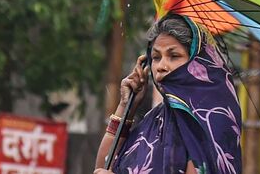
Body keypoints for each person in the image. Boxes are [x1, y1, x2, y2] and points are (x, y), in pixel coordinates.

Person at [94, 14, 242, 174]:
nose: (161, 66)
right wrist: (126, 106)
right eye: (156, 57)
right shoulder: (157, 117)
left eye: (174, 56)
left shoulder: (210, 119)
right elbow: (103, 167)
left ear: (197, 62)